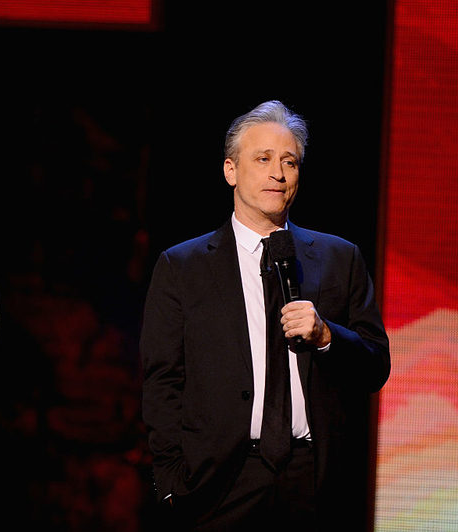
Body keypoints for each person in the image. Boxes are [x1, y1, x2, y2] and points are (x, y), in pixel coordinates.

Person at [140, 100, 390, 530]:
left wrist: (327, 336)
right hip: (219, 482)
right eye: (263, 159)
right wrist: (169, 481)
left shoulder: (338, 258)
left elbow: (374, 367)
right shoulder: (182, 266)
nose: (278, 173)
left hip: (313, 479)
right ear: (230, 170)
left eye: (289, 162)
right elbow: (163, 380)